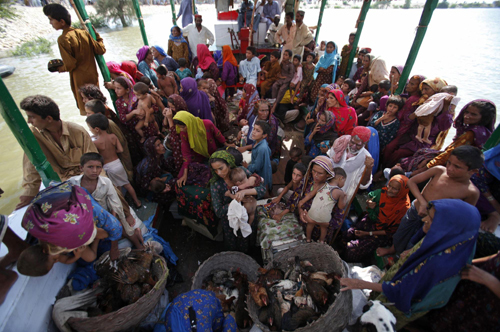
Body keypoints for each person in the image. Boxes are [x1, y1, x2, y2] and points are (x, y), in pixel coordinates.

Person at [340, 199, 480, 330]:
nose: (424, 220)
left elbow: (401, 291)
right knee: (372, 303)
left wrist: (359, 284)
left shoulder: (438, 264)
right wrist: (411, 251)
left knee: (372, 325)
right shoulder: (452, 238)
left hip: (400, 302)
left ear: (447, 228)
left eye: (431, 220)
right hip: (399, 281)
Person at [378, 145, 482, 256]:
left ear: (473, 171)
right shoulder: (439, 171)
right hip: (415, 210)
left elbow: (461, 217)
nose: (450, 168)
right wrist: (422, 202)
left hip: (432, 224)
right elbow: (411, 182)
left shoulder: (471, 192)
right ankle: (392, 250)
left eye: (457, 167)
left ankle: (400, 260)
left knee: (415, 244)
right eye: (449, 163)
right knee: (401, 233)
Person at [17, 95, 98, 210]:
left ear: (49, 119)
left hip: (85, 178)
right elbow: (31, 166)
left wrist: (94, 185)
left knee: (110, 194)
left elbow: (94, 160)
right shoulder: (34, 136)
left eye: (32, 117)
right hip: (62, 184)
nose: (29, 121)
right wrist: (29, 192)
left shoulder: (77, 131)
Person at [68, 153, 144, 249]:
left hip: (108, 214)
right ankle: (136, 232)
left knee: (123, 228)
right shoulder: (73, 182)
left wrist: (112, 220)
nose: (94, 171)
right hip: (88, 217)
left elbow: (115, 203)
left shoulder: (106, 182)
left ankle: (139, 246)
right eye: (90, 167)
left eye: (98, 167)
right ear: (81, 167)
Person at [401, 99, 496, 176]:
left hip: (455, 162)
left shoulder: (471, 133)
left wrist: (424, 169)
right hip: (455, 159)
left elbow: (450, 153)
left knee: (415, 161)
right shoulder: (481, 131)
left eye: (473, 114)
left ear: (484, 117)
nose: (467, 116)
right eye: (466, 112)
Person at [43, 4, 106, 116]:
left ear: (62, 21)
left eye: (51, 20)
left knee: (87, 107)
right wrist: (96, 35)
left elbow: (70, 64)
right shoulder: (84, 32)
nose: (50, 23)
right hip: (92, 75)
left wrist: (59, 68)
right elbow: (100, 49)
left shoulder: (63, 39)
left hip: (80, 79)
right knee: (97, 104)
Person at [342, 175, 410, 262]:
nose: (389, 190)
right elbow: (371, 198)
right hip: (371, 221)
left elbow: (390, 231)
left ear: (402, 191)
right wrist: (369, 202)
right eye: (390, 185)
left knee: (352, 249)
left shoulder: (403, 209)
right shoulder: (383, 192)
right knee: (347, 234)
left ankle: (350, 261)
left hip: (382, 234)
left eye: (394, 189)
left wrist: (367, 233)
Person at [427, 251, 500, 331]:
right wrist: (466, 265)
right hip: (471, 286)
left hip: (487, 309)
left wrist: (487, 279)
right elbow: (496, 257)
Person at [210, 151, 266, 252]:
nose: (219, 173)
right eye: (215, 170)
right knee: (234, 249)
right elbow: (218, 211)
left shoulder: (241, 172)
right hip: (232, 225)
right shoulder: (216, 185)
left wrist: (245, 191)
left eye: (221, 168)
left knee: (249, 243)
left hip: (249, 217)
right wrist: (236, 201)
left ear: (228, 164)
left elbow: (262, 189)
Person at [390, 77, 453, 164]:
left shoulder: (446, 109)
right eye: (422, 89)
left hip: (426, 142)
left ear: (436, 91)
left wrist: (445, 107)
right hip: (411, 135)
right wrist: (418, 113)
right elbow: (408, 119)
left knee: (399, 153)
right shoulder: (422, 102)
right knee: (389, 148)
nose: (423, 92)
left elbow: (444, 127)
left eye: (426, 89)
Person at [85, 114, 142, 209]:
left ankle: (125, 206)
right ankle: (137, 201)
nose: (90, 130)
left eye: (90, 128)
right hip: (118, 164)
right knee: (127, 184)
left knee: (117, 188)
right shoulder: (113, 136)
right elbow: (120, 150)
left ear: (96, 129)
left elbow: (96, 156)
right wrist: (112, 151)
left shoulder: (95, 143)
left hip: (108, 167)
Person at [173, 111, 228, 187]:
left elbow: (218, 135)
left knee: (215, 174)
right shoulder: (184, 133)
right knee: (181, 177)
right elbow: (186, 153)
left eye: (183, 127)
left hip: (211, 152)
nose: (181, 129)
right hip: (196, 155)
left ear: (189, 122)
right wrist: (185, 174)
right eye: (179, 127)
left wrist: (227, 145)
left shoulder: (207, 124)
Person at [382, 75, 426, 168]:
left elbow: (402, 117)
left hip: (404, 130)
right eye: (409, 83)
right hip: (407, 129)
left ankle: (382, 168)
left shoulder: (413, 99)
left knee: (389, 147)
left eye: (412, 84)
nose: (408, 85)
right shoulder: (411, 97)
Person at [84, 100, 133, 181]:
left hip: (120, 159)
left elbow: (121, 141)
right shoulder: (98, 126)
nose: (87, 115)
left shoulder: (109, 124)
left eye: (89, 113)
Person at [300, 166, 347, 243]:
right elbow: (341, 206)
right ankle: (321, 241)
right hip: (324, 219)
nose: (344, 184)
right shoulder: (339, 192)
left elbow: (310, 195)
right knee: (324, 228)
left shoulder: (322, 184)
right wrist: (345, 197)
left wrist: (301, 202)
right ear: (341, 178)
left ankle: (308, 239)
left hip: (312, 214)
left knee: (310, 224)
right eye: (344, 181)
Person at [153, 289, 237, 332]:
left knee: (224, 320)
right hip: (177, 305)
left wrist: (230, 317)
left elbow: (229, 320)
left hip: (205, 301)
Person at [327, 126, 375, 197]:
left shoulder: (366, 158)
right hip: (326, 184)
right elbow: (329, 159)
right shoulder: (341, 142)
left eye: (358, 145)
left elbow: (363, 184)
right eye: (352, 142)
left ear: (365, 143)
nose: (353, 146)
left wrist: (369, 168)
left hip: (342, 193)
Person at [112, 77, 157, 146]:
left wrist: (146, 113)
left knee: (155, 144)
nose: (116, 91)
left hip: (147, 125)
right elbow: (122, 118)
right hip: (136, 131)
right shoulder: (119, 102)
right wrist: (133, 112)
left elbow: (155, 107)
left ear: (127, 89)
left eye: (118, 88)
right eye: (115, 88)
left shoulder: (138, 95)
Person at [242, 121, 273, 191]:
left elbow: (257, 167)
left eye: (258, 131)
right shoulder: (258, 142)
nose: (254, 132)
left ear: (264, 135)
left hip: (261, 174)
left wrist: (247, 166)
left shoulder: (262, 148)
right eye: (254, 129)